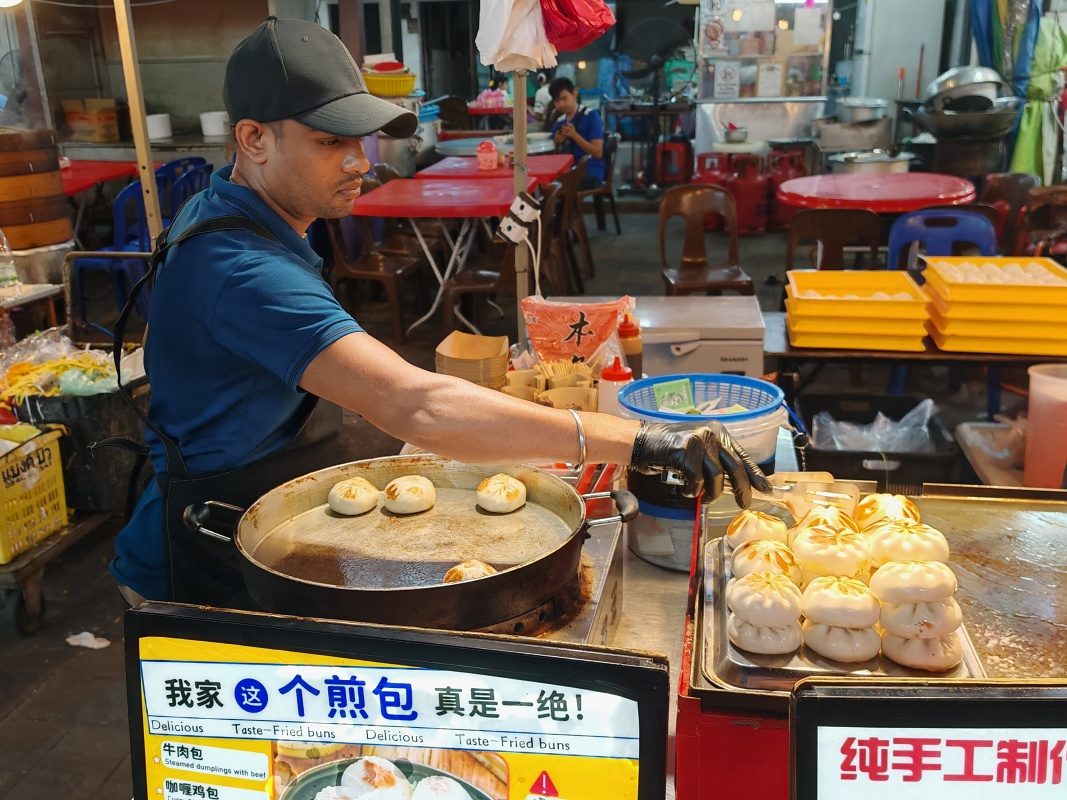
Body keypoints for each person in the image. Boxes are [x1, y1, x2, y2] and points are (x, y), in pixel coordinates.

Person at [109, 17, 770, 607]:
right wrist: (637, 439)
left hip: (250, 517)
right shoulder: (240, 270)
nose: (356, 163)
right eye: (326, 142)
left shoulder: (237, 212)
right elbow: (412, 406)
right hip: (195, 562)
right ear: (253, 139)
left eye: (359, 141)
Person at [549, 77, 606, 189]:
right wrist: (556, 141)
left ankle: (563, 206)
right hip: (567, 170)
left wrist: (575, 136)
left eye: (564, 98)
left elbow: (598, 152)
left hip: (590, 170)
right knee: (543, 184)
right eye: (556, 101)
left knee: (555, 187)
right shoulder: (559, 121)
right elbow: (551, 153)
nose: (561, 104)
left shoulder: (591, 116)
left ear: (574, 95)